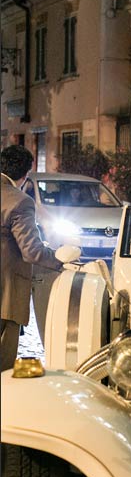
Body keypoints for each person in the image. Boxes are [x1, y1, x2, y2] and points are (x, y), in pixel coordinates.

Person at [1, 145, 63, 370]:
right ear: (25, 174)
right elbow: (32, 251)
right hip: (5, 296)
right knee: (4, 367)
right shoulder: (19, 201)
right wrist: (59, 260)